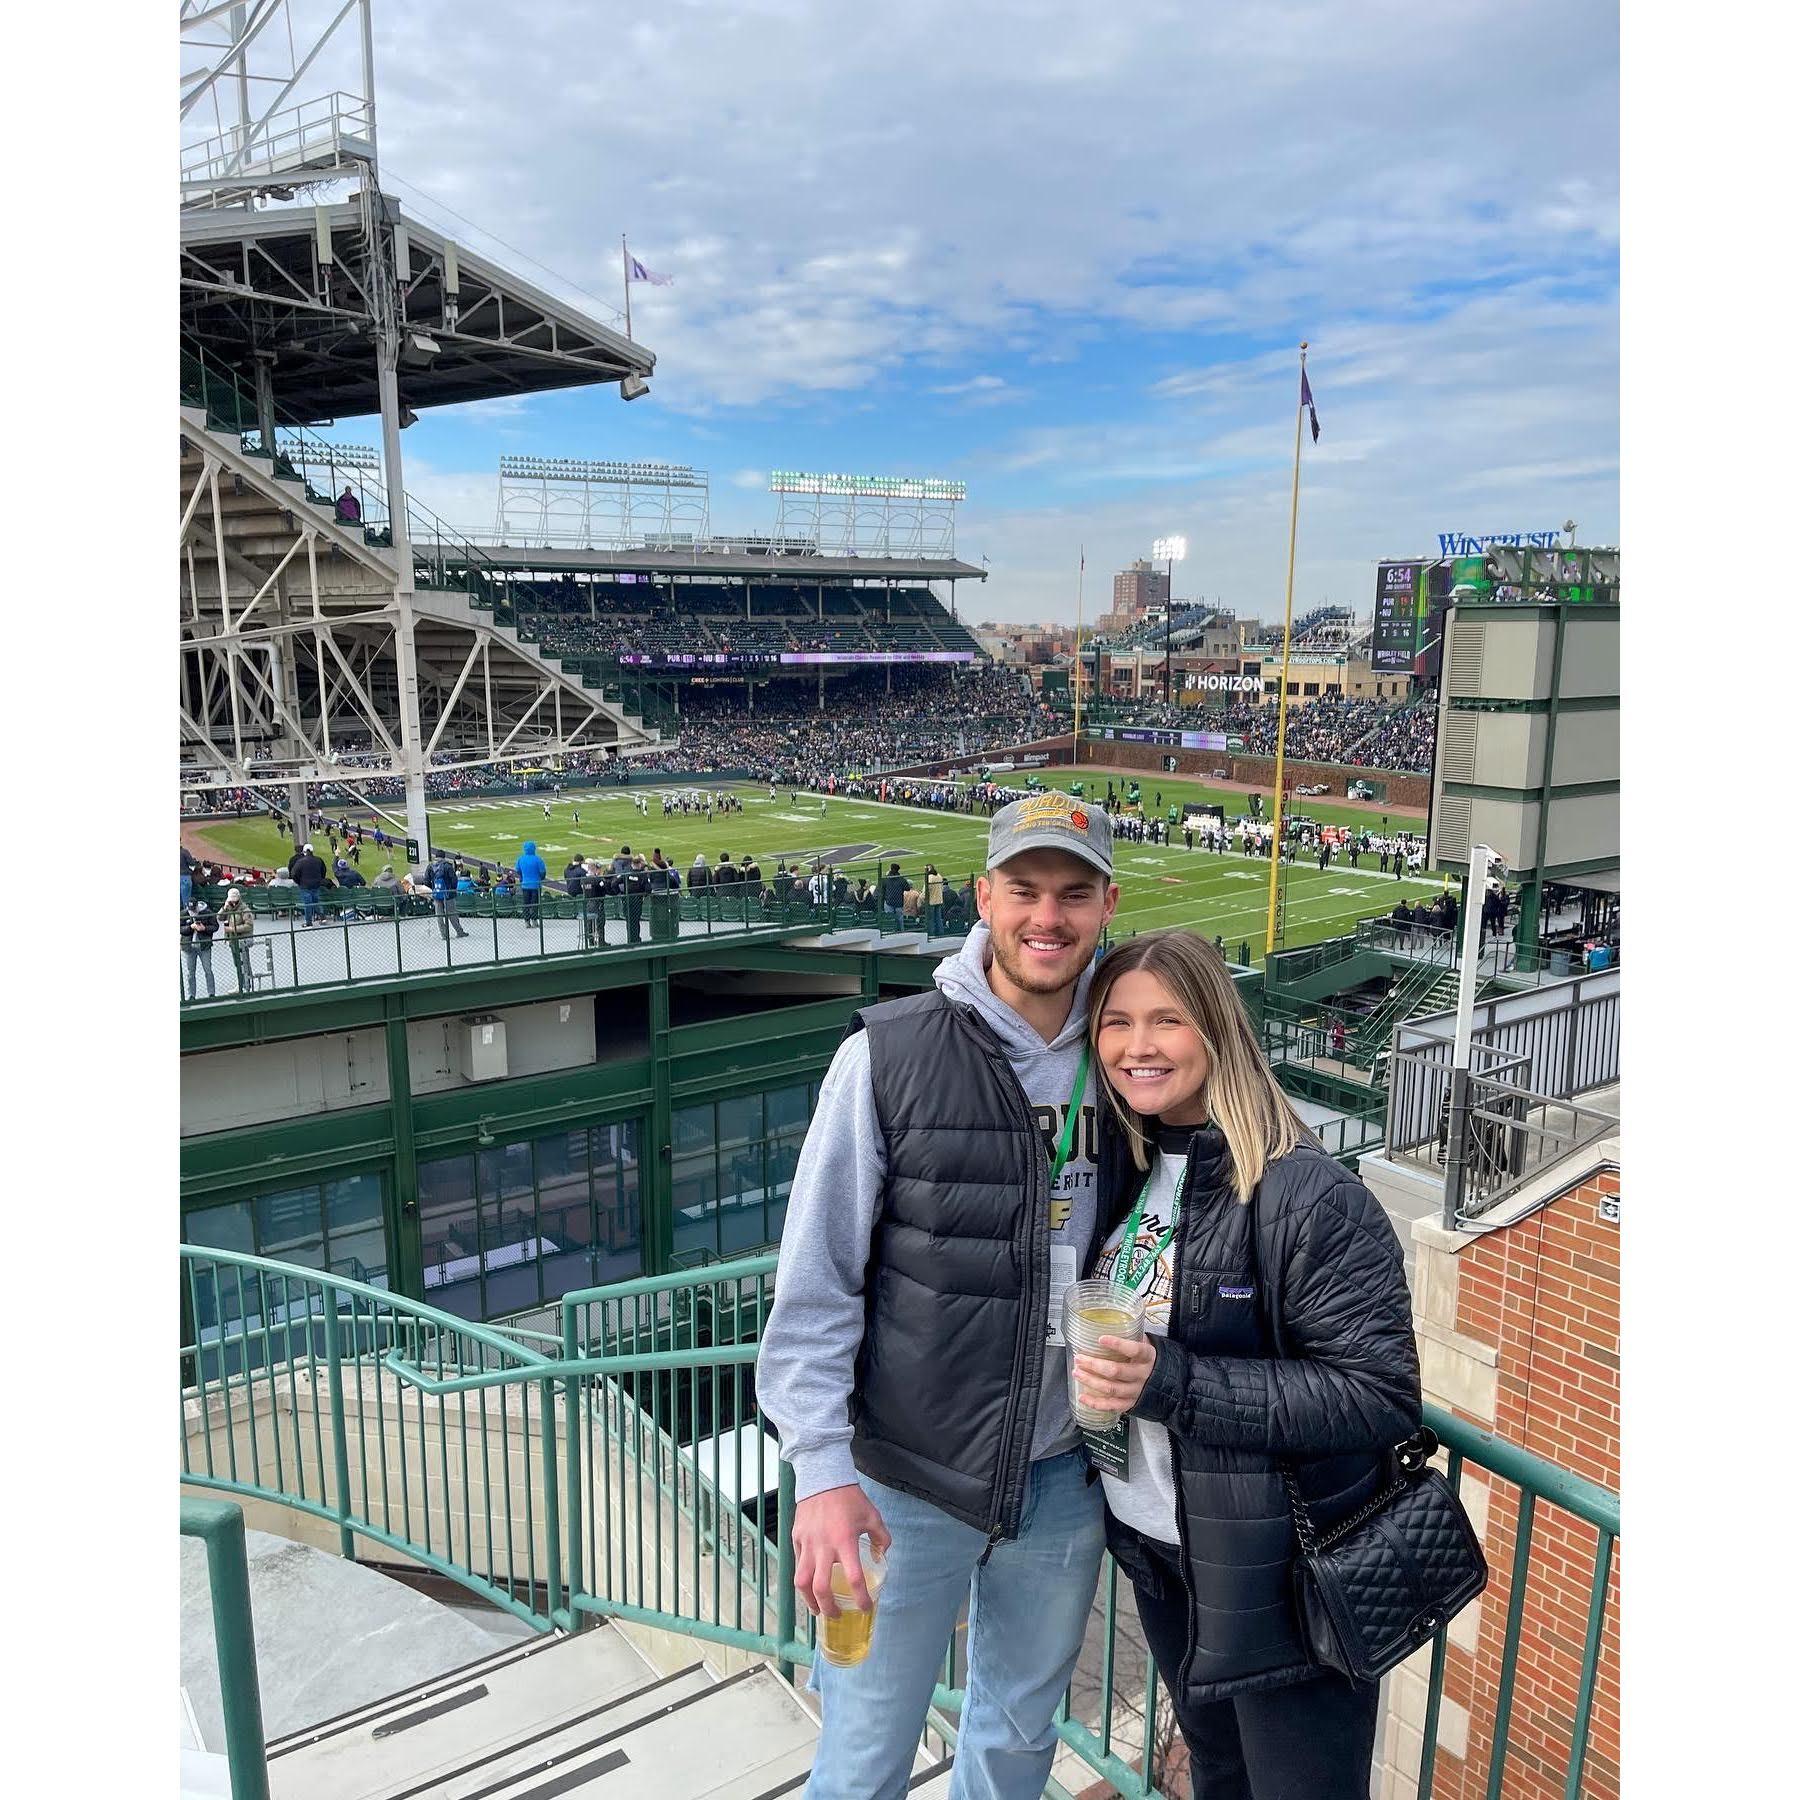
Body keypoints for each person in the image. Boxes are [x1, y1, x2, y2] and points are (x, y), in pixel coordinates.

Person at [758, 791, 1121, 1799]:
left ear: (1107, 905)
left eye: (1073, 893)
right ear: (983, 896)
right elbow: (817, 1281)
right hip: (897, 1490)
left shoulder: (1135, 1058)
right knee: (862, 1760)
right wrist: (823, 1474)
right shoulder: (886, 1053)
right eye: (1025, 889)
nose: (1047, 916)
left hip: (1065, 1480)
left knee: (1014, 1749)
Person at [1074, 930, 1420, 1800]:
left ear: (1218, 1029)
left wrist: (1169, 1382)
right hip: (1161, 1554)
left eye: (1167, 1020)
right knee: (1216, 1777)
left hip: (1278, 1582)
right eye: (1116, 1022)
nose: (1137, 1046)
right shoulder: (1137, 1163)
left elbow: (1379, 1394)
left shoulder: (1306, 1191)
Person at [181, 897, 219, 1001]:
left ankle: (211, 993)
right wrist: (190, 927)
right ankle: (191, 995)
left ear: (197, 906)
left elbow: (215, 926)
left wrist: (204, 928)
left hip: (204, 946)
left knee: (208, 970)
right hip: (189, 947)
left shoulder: (207, 913)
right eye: (190, 909)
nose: (192, 911)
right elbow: (180, 929)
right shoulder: (183, 914)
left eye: (194, 909)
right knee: (190, 972)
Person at [219, 886, 256, 991]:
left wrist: (232, 929)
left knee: (244, 963)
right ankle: (242, 983)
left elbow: (248, 926)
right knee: (237, 963)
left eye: (235, 900)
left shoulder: (244, 909)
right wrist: (224, 907)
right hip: (232, 940)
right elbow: (219, 917)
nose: (233, 902)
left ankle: (246, 985)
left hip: (242, 940)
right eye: (231, 900)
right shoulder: (228, 908)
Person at [430, 851, 469, 940]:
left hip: (437, 893)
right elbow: (454, 880)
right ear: (444, 857)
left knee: (439, 915)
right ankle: (459, 931)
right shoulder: (447, 866)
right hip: (448, 894)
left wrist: (433, 889)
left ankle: (444, 935)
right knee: (452, 914)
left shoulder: (431, 866)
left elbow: (426, 879)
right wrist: (452, 890)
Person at [290, 841, 327, 927]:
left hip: (305, 885)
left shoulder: (300, 862)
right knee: (316, 901)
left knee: (308, 904)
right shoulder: (318, 860)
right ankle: (322, 918)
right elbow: (323, 871)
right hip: (316, 884)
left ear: (304, 851)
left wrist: (299, 882)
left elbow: (294, 874)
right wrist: (319, 880)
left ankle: (309, 922)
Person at [517, 840, 547, 925]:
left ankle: (527, 921)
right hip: (535, 884)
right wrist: (540, 879)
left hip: (525, 885)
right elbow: (543, 872)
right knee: (535, 903)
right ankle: (534, 920)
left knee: (526, 903)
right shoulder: (538, 859)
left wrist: (523, 877)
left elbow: (518, 870)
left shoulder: (521, 859)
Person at [880, 861, 911, 931]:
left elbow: (882, 891)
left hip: (889, 901)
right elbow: (908, 888)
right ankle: (901, 932)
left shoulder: (886, 879)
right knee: (900, 920)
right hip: (898, 902)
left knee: (889, 920)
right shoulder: (901, 879)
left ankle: (890, 932)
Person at [924, 864, 945, 937]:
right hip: (939, 900)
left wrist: (922, 898)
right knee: (938, 918)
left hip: (931, 901)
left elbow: (926, 890)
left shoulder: (929, 877)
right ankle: (940, 933)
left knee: (931, 919)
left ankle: (931, 934)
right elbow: (941, 887)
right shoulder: (939, 876)